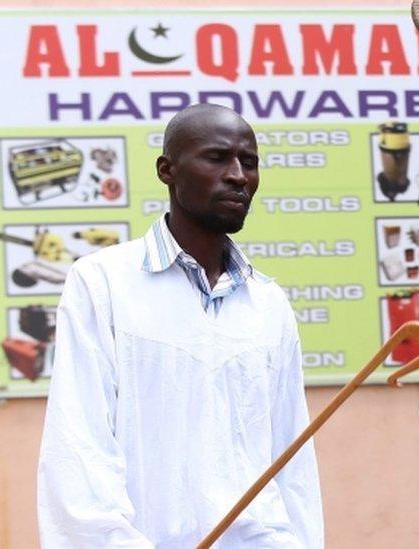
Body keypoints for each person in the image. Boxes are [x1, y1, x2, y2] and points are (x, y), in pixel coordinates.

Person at [37, 104, 323, 548]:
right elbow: (78, 447)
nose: (238, 175)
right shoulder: (104, 282)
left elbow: (292, 463)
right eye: (216, 157)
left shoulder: (268, 304)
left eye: (249, 162)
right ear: (166, 170)